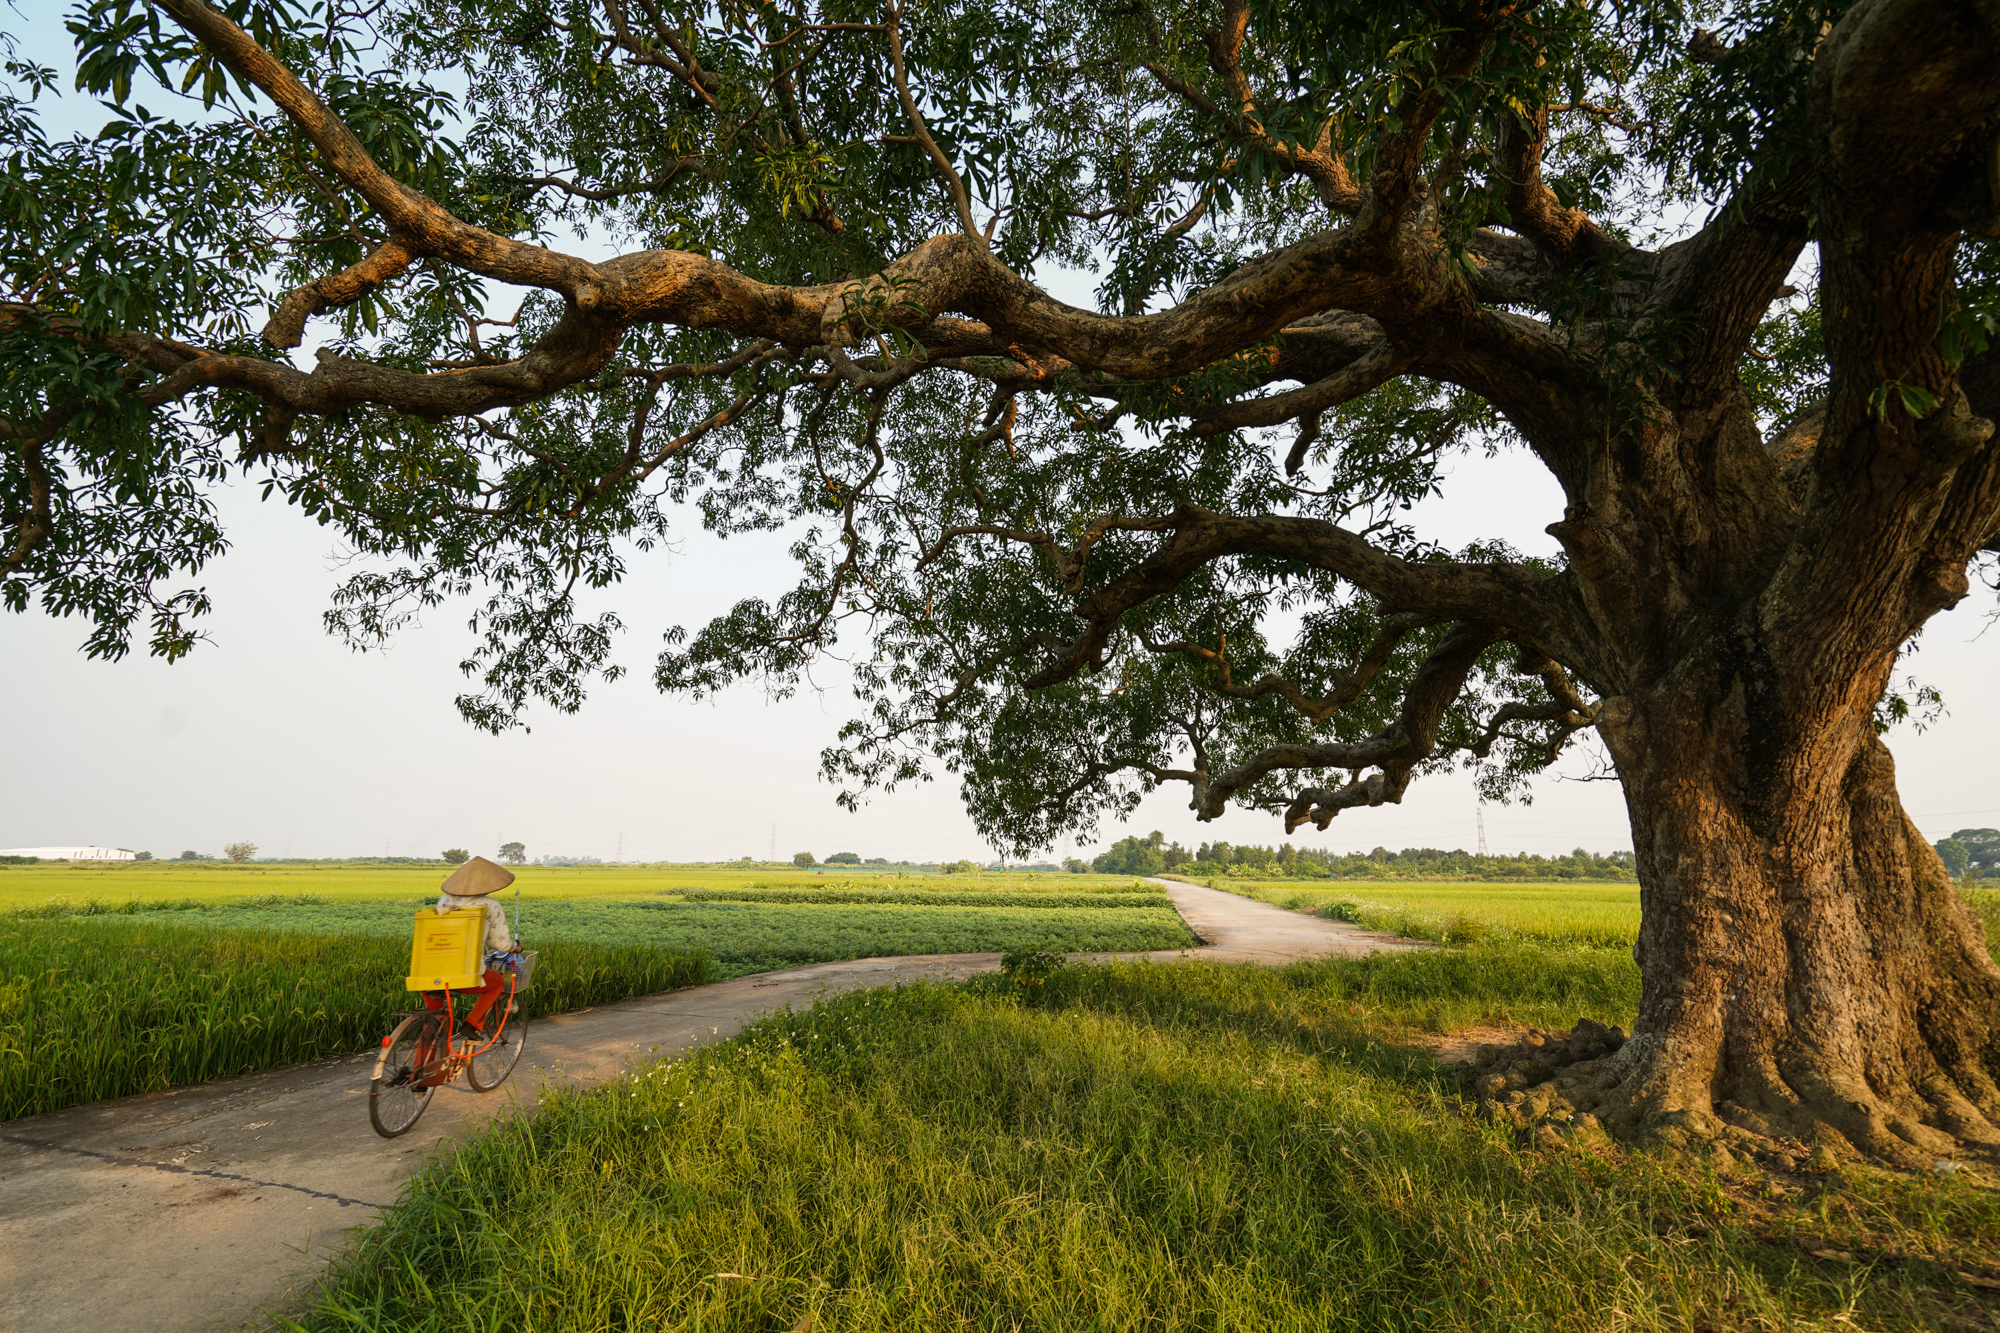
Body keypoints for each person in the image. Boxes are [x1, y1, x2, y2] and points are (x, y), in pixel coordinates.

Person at [424, 855, 521, 1037]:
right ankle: (471, 1024)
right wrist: (514, 945)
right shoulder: (490, 905)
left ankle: (420, 1061)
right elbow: (499, 944)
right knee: (498, 982)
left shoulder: (444, 900)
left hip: (430, 971)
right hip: (464, 974)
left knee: (434, 1027)